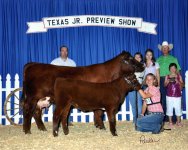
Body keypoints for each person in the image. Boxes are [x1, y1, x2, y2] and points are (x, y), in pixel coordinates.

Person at [156, 41, 181, 120]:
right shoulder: (158, 59)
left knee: (173, 97)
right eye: (163, 48)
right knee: (163, 98)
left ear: (168, 49)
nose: (164, 49)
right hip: (161, 79)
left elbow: (178, 70)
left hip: (171, 78)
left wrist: (179, 80)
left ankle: (173, 118)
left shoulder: (173, 58)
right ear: (161, 49)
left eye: (166, 48)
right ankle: (165, 118)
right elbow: (156, 71)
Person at [164, 63, 184, 128]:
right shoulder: (167, 76)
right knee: (169, 108)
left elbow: (182, 86)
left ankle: (178, 122)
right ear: (169, 69)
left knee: (178, 108)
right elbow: (164, 85)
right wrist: (167, 81)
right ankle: (170, 122)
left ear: (176, 69)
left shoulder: (179, 76)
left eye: (174, 68)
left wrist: (178, 81)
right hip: (169, 95)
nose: (173, 69)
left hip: (177, 95)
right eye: (171, 68)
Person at [128, 52, 145, 124]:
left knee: (139, 103)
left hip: (139, 85)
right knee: (133, 103)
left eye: (139, 57)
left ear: (141, 59)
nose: (137, 58)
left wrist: (142, 83)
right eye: (136, 57)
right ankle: (135, 118)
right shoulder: (130, 66)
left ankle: (139, 119)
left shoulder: (143, 66)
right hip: (131, 86)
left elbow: (144, 77)